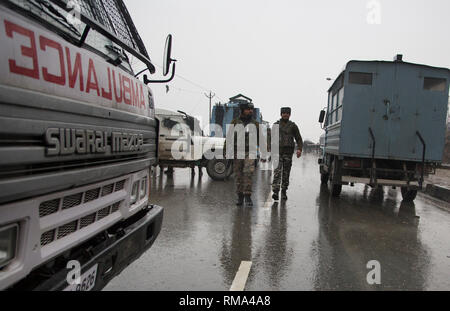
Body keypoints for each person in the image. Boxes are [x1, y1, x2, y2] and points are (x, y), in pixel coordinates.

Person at [224, 102, 260, 206]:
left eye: (252, 109)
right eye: (248, 109)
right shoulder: (235, 122)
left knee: (248, 173)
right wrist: (226, 151)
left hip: (250, 151)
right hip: (237, 151)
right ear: (243, 110)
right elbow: (229, 137)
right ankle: (240, 196)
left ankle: (248, 196)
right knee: (238, 174)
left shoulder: (255, 124)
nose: (251, 111)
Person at [272, 107, 303, 201]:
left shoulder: (293, 126)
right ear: (281, 114)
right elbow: (271, 139)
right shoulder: (276, 125)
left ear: (290, 114)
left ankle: (284, 191)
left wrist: (299, 149)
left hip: (288, 153)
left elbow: (299, 139)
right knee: (277, 172)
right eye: (283, 113)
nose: (285, 114)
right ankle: (276, 192)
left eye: (287, 113)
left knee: (286, 173)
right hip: (277, 153)